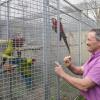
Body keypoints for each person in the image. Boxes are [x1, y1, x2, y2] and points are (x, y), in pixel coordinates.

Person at [55, 29, 100, 100]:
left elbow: (84, 85)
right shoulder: (94, 56)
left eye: (89, 40)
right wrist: (70, 66)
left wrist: (62, 74)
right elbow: (81, 70)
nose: (86, 42)